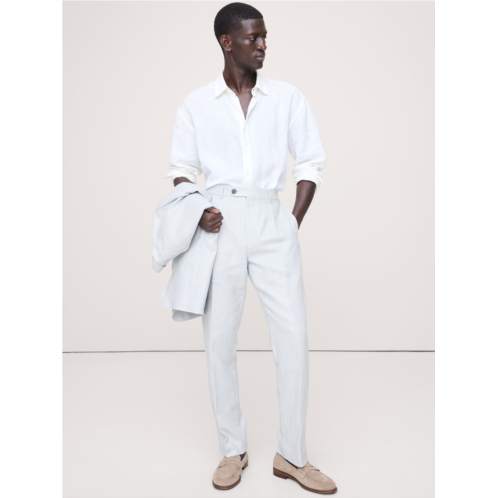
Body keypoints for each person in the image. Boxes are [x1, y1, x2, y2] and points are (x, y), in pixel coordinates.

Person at [165, 2, 337, 494]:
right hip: (217, 222)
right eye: (253, 37)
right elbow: (181, 169)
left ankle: (293, 455)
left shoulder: (287, 98)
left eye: (264, 37)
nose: (263, 45)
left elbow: (310, 161)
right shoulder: (196, 104)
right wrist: (199, 208)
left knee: (293, 338)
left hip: (270, 218)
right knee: (220, 340)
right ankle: (232, 448)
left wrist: (290, 221)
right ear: (227, 42)